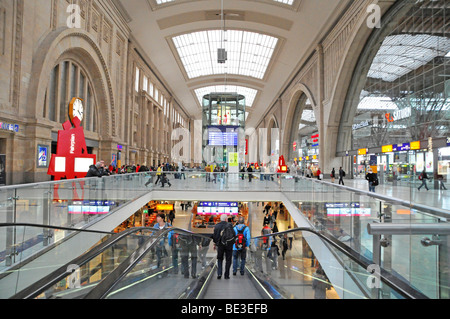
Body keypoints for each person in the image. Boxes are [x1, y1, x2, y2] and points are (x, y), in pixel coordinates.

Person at [213, 214, 235, 279]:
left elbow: (215, 236)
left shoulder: (217, 226)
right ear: (226, 219)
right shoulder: (230, 226)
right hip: (228, 245)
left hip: (220, 245)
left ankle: (219, 273)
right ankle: (227, 275)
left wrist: (215, 243)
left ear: (220, 219)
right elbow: (233, 235)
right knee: (228, 259)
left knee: (220, 258)